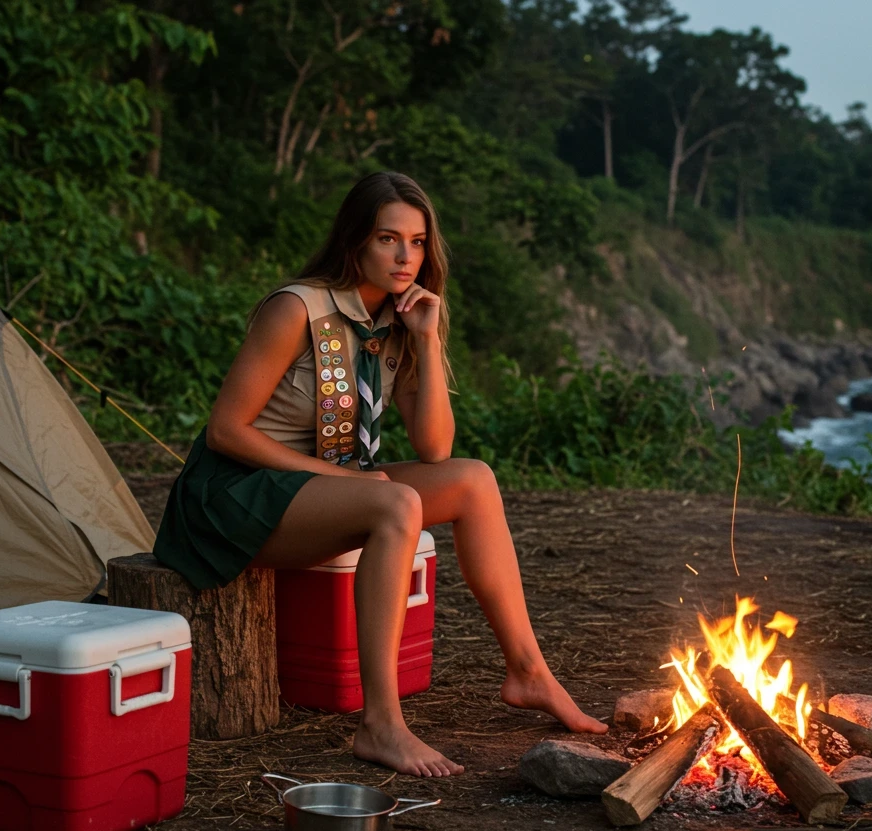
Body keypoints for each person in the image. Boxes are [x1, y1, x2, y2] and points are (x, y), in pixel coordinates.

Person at [154, 171, 606, 778]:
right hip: (233, 495)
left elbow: (436, 448)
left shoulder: (401, 318)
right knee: (394, 506)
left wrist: (427, 340)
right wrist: (342, 481)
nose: (405, 256)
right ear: (355, 242)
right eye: (389, 239)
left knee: (474, 480)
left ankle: (528, 671)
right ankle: (381, 723)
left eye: (418, 242)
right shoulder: (297, 308)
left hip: (324, 486)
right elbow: (226, 432)